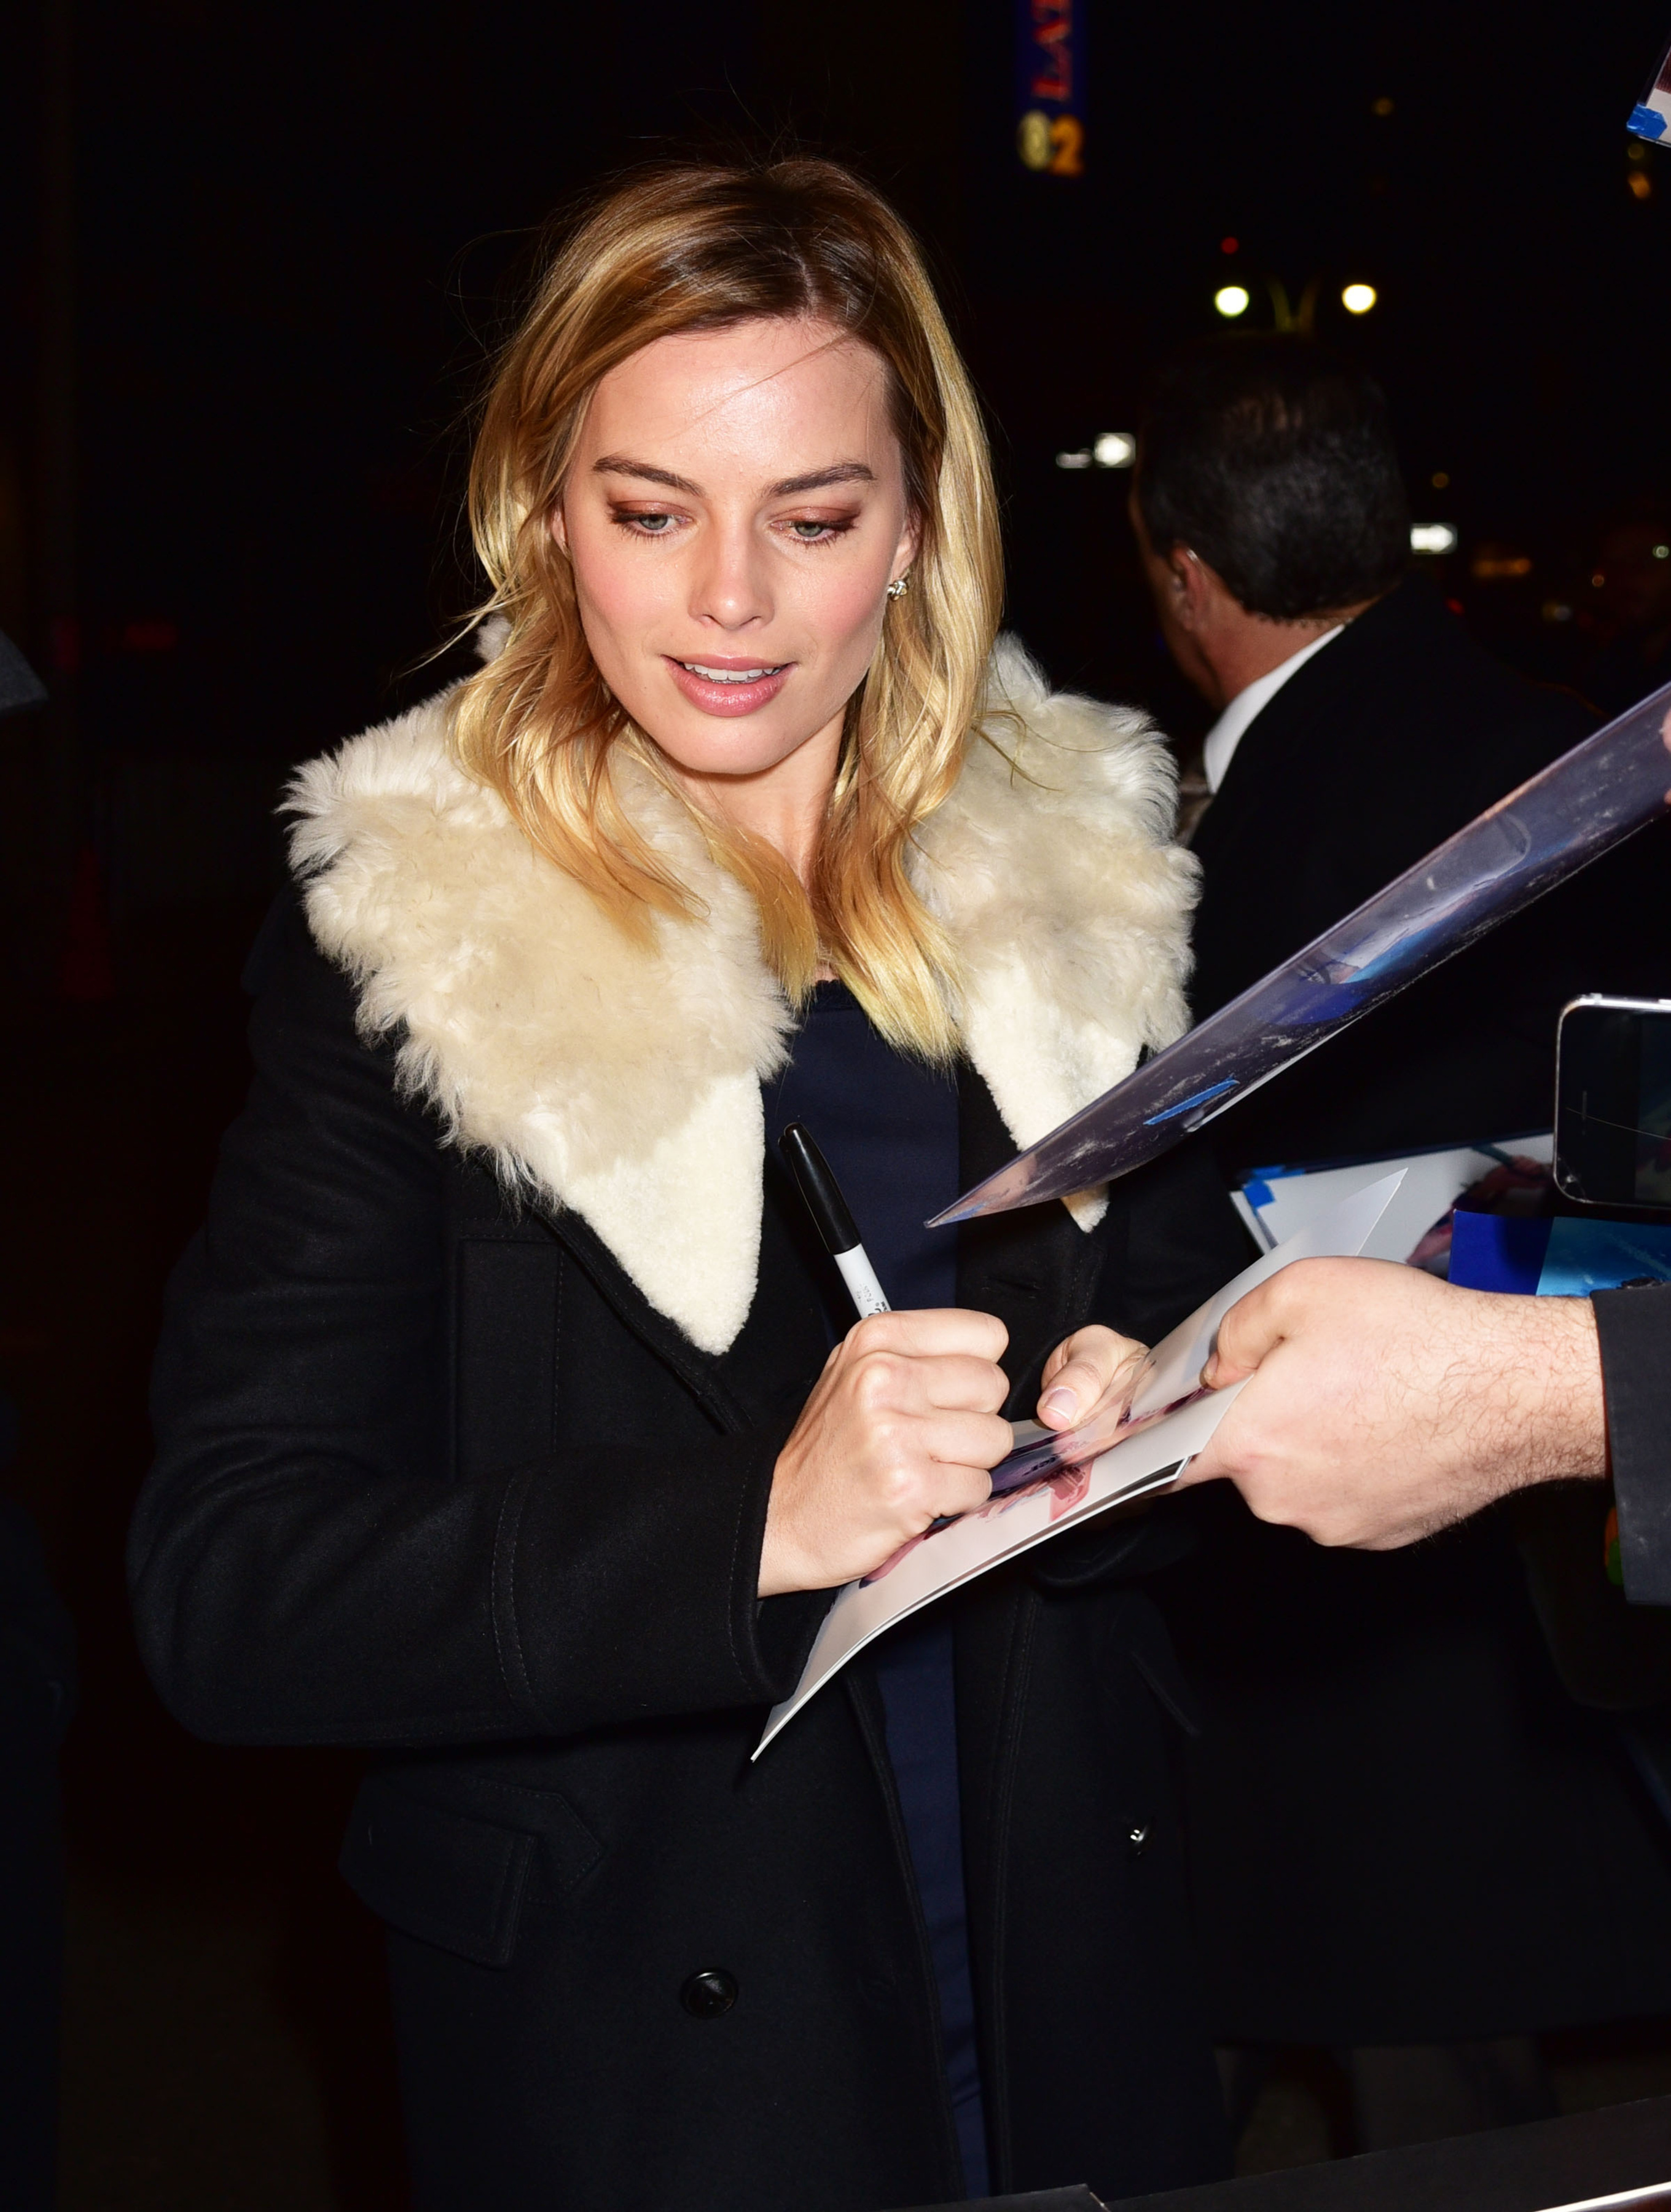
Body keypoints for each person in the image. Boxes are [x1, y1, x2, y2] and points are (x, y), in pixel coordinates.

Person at [128, 159, 1249, 2212]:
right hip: (649, 2059)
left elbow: (1185, 1346)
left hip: (1067, 1966)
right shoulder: (416, 927)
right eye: (652, 512)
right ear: (547, 514)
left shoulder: (1083, 887)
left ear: (918, 529)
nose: (730, 596)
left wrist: (1153, 1406)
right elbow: (232, 1586)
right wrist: (757, 1525)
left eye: (811, 519)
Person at [1126, 340, 1671, 2152]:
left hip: (1336, 1553)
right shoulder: (1569, 743)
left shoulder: (1212, 841)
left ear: (1184, 574)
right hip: (1551, 1564)